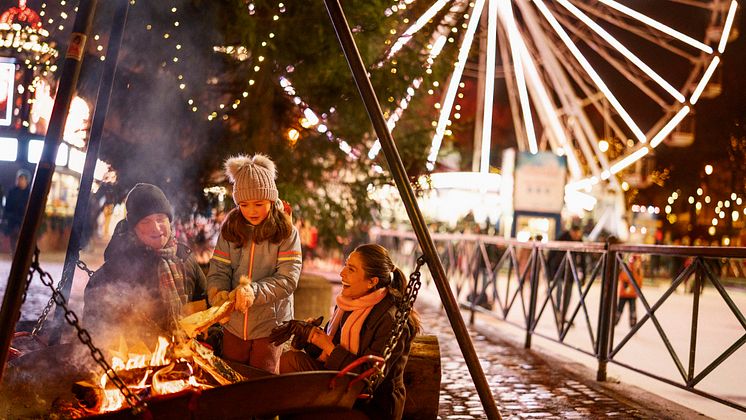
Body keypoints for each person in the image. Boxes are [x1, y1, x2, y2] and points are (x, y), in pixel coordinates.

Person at [274, 243, 421, 420]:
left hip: (370, 405)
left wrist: (328, 346)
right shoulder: (349, 303)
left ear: (372, 282)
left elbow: (368, 382)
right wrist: (309, 337)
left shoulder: (391, 320)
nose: (342, 273)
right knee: (289, 361)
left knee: (299, 412)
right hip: (341, 385)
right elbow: (328, 349)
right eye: (345, 265)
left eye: (351, 269)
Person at [206, 154, 302, 374]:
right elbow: (219, 268)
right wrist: (218, 292)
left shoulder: (286, 232)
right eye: (244, 205)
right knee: (231, 376)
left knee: (262, 381)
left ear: (270, 199)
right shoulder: (231, 228)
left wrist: (254, 292)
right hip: (234, 324)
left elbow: (288, 279)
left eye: (259, 204)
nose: (252, 211)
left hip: (271, 325)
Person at [83, 183, 207, 346]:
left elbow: (205, 304)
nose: (155, 228)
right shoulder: (118, 267)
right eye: (145, 221)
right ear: (133, 228)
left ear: (169, 221)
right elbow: (95, 327)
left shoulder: (185, 258)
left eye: (160, 219)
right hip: (138, 363)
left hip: (183, 358)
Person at [3, 169, 31, 255]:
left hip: (23, 220)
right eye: (19, 178)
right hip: (13, 220)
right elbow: (7, 206)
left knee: (23, 240)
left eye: (22, 179)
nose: (20, 181)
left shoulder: (29, 193)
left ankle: (22, 256)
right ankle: (14, 257)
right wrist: (6, 217)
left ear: (26, 181)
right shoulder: (12, 192)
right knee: (13, 240)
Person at [615, 255, 643, 327]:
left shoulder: (639, 271)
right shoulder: (627, 269)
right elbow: (622, 277)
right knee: (619, 309)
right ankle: (614, 321)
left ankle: (633, 324)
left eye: (639, 262)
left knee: (633, 310)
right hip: (624, 294)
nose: (638, 264)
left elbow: (640, 282)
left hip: (633, 295)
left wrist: (638, 290)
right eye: (637, 262)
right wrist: (626, 285)